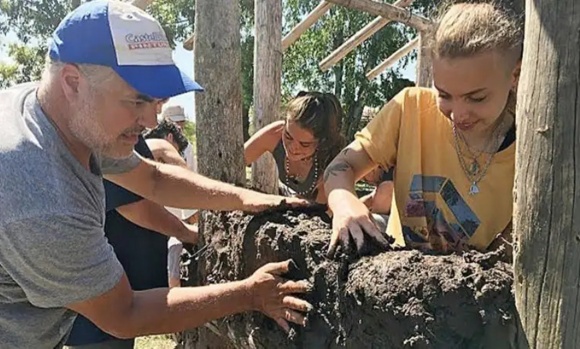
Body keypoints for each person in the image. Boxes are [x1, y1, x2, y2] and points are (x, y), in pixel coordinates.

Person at [0, 2, 311, 348]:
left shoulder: (59, 113)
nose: (151, 121)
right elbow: (125, 314)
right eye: (137, 100)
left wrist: (245, 198)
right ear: (72, 82)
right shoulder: (41, 196)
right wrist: (251, 294)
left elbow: (151, 179)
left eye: (156, 102)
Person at [324, 2, 522, 257]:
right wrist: (345, 204)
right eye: (444, 95)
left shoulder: (529, 154)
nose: (458, 114)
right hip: (392, 277)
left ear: (514, 75)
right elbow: (341, 167)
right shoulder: (409, 108)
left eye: (477, 98)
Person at [66, 135, 197, 349]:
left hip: (114, 290)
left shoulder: (111, 132)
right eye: (143, 102)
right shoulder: (109, 134)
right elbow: (134, 206)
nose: (153, 117)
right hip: (106, 298)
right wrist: (187, 232)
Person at [244, 91, 346, 203]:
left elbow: (323, 210)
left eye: (304, 144)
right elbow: (236, 161)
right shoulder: (275, 133)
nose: (293, 147)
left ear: (322, 142)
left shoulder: (331, 163)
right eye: (288, 136)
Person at [162, 104, 197, 172]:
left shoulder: (187, 146)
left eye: (181, 121)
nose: (179, 125)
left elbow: (192, 170)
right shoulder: (155, 142)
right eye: (176, 122)